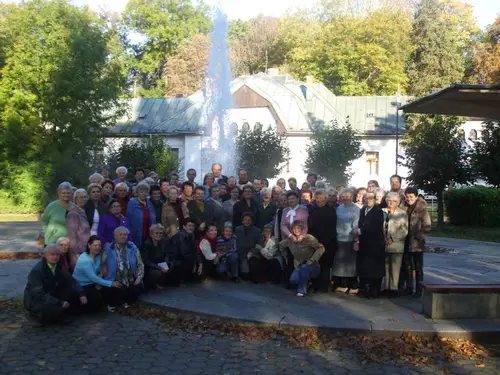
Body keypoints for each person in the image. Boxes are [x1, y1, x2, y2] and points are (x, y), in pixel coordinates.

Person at [24, 244, 87, 326]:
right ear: (45, 255)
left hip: (50, 295)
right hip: (36, 300)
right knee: (55, 309)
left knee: (72, 296)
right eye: (52, 254)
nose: (55, 257)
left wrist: (81, 293)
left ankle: (56, 315)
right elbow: (38, 294)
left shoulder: (57, 266)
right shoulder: (37, 271)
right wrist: (59, 302)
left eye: (57, 254)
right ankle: (35, 317)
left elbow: (71, 280)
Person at [73, 236, 122, 312]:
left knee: (114, 289)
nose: (98, 247)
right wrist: (110, 283)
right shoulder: (84, 259)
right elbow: (93, 277)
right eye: (95, 245)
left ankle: (109, 305)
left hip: (93, 283)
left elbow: (101, 272)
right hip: (82, 286)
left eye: (99, 245)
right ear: (89, 246)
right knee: (97, 300)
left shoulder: (99, 256)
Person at [102, 227, 145, 310]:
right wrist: (109, 281)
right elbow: (103, 266)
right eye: (120, 235)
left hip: (131, 279)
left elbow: (140, 264)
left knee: (136, 289)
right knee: (116, 292)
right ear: (115, 237)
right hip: (115, 280)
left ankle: (126, 302)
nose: (123, 237)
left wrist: (139, 277)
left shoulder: (133, 248)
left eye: (125, 235)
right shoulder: (108, 249)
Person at [280, 221, 324, 297]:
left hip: (312, 266)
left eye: (298, 228)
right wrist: (285, 256)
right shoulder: (290, 240)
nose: (296, 230)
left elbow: (321, 248)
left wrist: (312, 260)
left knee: (304, 268)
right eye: (294, 228)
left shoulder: (308, 238)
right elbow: (281, 245)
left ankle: (301, 291)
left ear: (302, 229)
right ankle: (306, 282)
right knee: (293, 280)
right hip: (298, 266)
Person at [401, 187, 431, 298]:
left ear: (416, 196)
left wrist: (420, 236)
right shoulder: (403, 207)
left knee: (418, 267)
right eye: (407, 197)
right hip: (405, 240)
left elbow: (427, 225)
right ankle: (409, 287)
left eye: (411, 197)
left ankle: (419, 289)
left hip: (417, 243)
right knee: (407, 266)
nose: (409, 199)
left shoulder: (422, 209)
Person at [356, 192, 385, 299]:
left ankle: (374, 290)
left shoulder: (378, 211)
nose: (368, 200)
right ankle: (365, 288)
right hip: (364, 243)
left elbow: (374, 226)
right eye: (366, 198)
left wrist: (359, 231)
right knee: (365, 267)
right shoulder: (363, 210)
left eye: (371, 198)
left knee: (375, 268)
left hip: (375, 243)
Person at [308, 189, 337, 293]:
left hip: (327, 241)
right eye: (317, 198)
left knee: (325, 265)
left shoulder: (331, 209)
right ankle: (315, 284)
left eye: (321, 198)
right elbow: (310, 225)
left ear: (326, 198)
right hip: (314, 241)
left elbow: (332, 227)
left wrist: (326, 241)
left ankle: (323, 286)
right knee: (315, 263)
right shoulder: (312, 209)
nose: (319, 200)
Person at [332, 188, 360, 295]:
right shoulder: (339, 208)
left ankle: (353, 285)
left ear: (352, 197)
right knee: (340, 264)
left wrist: (356, 239)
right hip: (340, 238)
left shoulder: (356, 209)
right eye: (343, 197)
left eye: (348, 196)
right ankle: (342, 285)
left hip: (350, 238)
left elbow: (356, 224)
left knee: (351, 264)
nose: (345, 198)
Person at [383, 192, 409, 297]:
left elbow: (404, 230)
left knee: (395, 268)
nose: (391, 203)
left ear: (398, 202)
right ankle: (386, 288)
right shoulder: (382, 212)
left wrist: (392, 239)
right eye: (389, 200)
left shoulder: (402, 213)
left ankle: (393, 288)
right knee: (386, 267)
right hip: (384, 244)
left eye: (394, 201)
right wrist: (383, 239)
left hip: (396, 245)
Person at [169, 218, 203, 283]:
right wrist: (194, 263)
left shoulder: (191, 235)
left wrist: (200, 264)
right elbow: (184, 253)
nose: (191, 228)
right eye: (189, 226)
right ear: (184, 227)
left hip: (186, 260)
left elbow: (196, 251)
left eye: (193, 226)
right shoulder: (180, 236)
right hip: (177, 262)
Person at [41, 182, 73, 246]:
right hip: (52, 240)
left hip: (67, 241)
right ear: (59, 193)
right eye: (63, 193)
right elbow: (44, 220)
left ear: (71, 194)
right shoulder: (52, 206)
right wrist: (47, 231)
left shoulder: (74, 207)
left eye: (68, 193)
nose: (66, 195)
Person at [140, 224, 171, 289]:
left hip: (159, 264)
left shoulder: (163, 243)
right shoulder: (146, 244)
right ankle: (152, 285)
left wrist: (166, 264)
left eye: (160, 233)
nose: (159, 235)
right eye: (156, 233)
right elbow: (145, 261)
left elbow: (167, 254)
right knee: (156, 272)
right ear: (151, 234)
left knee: (172, 264)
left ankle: (163, 283)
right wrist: (159, 267)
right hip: (149, 267)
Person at [67, 189, 91, 268]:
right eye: (80, 197)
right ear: (75, 199)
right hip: (78, 251)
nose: (83, 199)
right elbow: (72, 235)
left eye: (84, 197)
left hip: (85, 249)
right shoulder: (73, 213)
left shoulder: (83, 211)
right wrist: (76, 253)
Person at [126, 183, 156, 247]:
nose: (144, 194)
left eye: (146, 192)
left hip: (149, 233)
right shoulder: (131, 203)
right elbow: (128, 220)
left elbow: (153, 217)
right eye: (141, 192)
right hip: (136, 233)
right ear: (137, 192)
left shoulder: (149, 203)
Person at [235, 213, 261, 280]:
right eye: (245, 220)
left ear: (252, 221)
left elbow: (260, 245)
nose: (247, 222)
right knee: (245, 274)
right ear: (242, 221)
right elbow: (235, 242)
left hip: (252, 252)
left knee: (253, 261)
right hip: (240, 252)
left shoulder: (257, 231)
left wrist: (252, 252)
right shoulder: (237, 229)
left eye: (249, 220)